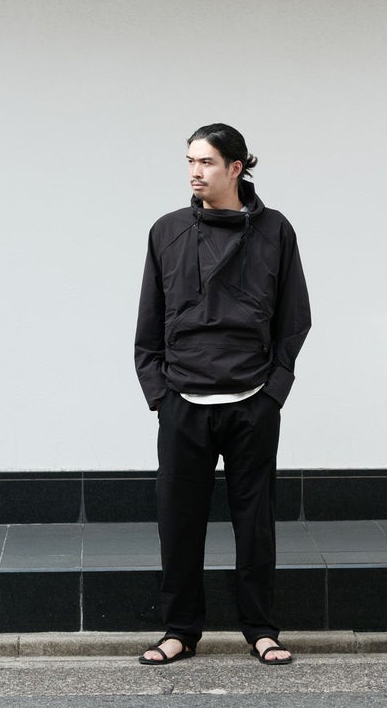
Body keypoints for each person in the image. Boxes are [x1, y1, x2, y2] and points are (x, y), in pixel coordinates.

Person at [134, 123, 311, 666]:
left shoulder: (275, 231)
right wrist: (160, 393)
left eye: (206, 162)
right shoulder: (167, 231)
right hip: (183, 402)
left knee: (254, 523)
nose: (195, 171)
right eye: (190, 161)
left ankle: (261, 630)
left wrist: (273, 391)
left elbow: (294, 317)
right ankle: (179, 631)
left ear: (236, 167)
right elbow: (149, 321)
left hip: (251, 400)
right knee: (178, 522)